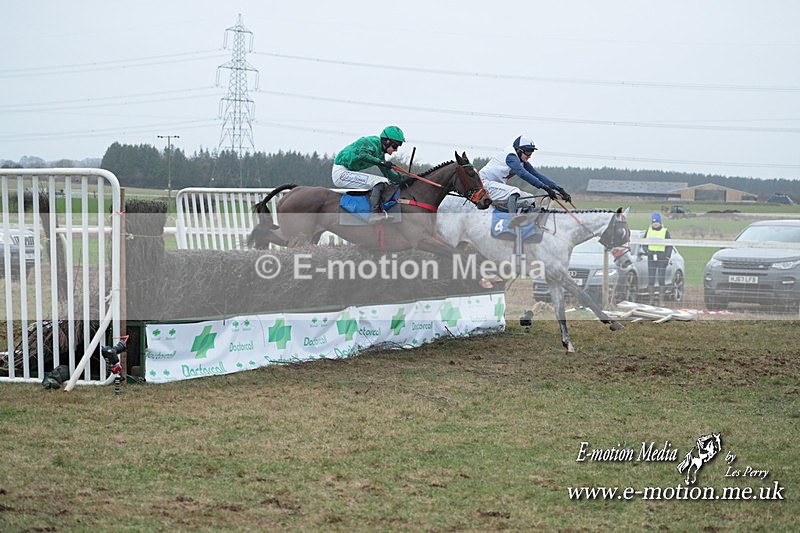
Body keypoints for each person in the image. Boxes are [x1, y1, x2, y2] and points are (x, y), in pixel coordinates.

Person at [479, 135, 572, 228]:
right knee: (514, 191)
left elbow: (538, 175)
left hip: (496, 187)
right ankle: (512, 218)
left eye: (531, 153)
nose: (529, 156)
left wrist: (559, 189)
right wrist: (545, 188)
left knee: (530, 199)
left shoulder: (521, 160)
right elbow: (523, 174)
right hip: (484, 184)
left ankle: (527, 226)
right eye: (528, 152)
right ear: (519, 150)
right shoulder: (511, 157)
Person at [332, 126, 405, 223]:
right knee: (380, 181)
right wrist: (381, 162)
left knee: (385, 181)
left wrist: (404, 178)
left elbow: (389, 175)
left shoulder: (380, 154)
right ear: (387, 141)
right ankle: (373, 214)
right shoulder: (371, 142)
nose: (396, 150)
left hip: (348, 172)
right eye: (395, 146)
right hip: (341, 173)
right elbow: (363, 155)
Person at [642, 212, 673, 305]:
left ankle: (661, 300)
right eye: (654, 222)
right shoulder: (648, 231)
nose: (655, 224)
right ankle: (651, 299)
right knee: (651, 278)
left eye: (657, 222)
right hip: (651, 257)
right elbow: (643, 244)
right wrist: (647, 252)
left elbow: (669, 246)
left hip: (661, 257)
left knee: (661, 278)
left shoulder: (665, 231)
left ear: (660, 222)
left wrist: (667, 257)